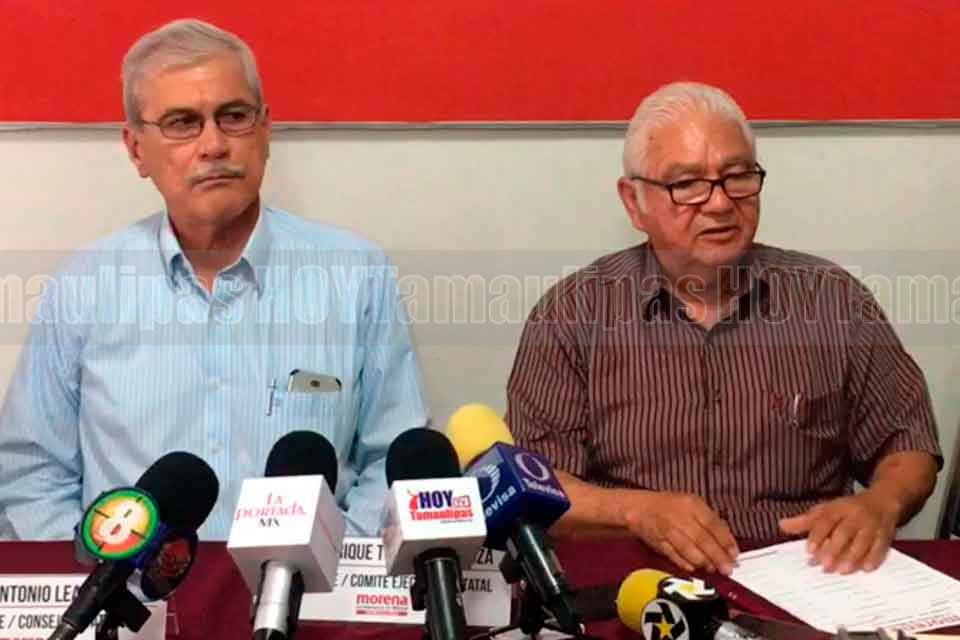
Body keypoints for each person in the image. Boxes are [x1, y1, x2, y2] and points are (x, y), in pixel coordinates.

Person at [0, 19, 428, 539]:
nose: (213, 144)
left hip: (310, 584)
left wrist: (335, 569)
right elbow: (32, 474)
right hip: (128, 588)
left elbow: (393, 459)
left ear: (265, 131)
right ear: (136, 149)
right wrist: (96, 575)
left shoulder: (356, 274)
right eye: (182, 122)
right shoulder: (83, 285)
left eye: (234, 117)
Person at [506, 82, 941, 576]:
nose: (719, 204)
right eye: (687, 184)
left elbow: (908, 443)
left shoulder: (832, 300)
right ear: (634, 202)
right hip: (641, 583)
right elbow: (534, 485)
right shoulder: (572, 314)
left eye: (737, 177)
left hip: (806, 579)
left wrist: (879, 505)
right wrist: (635, 511)